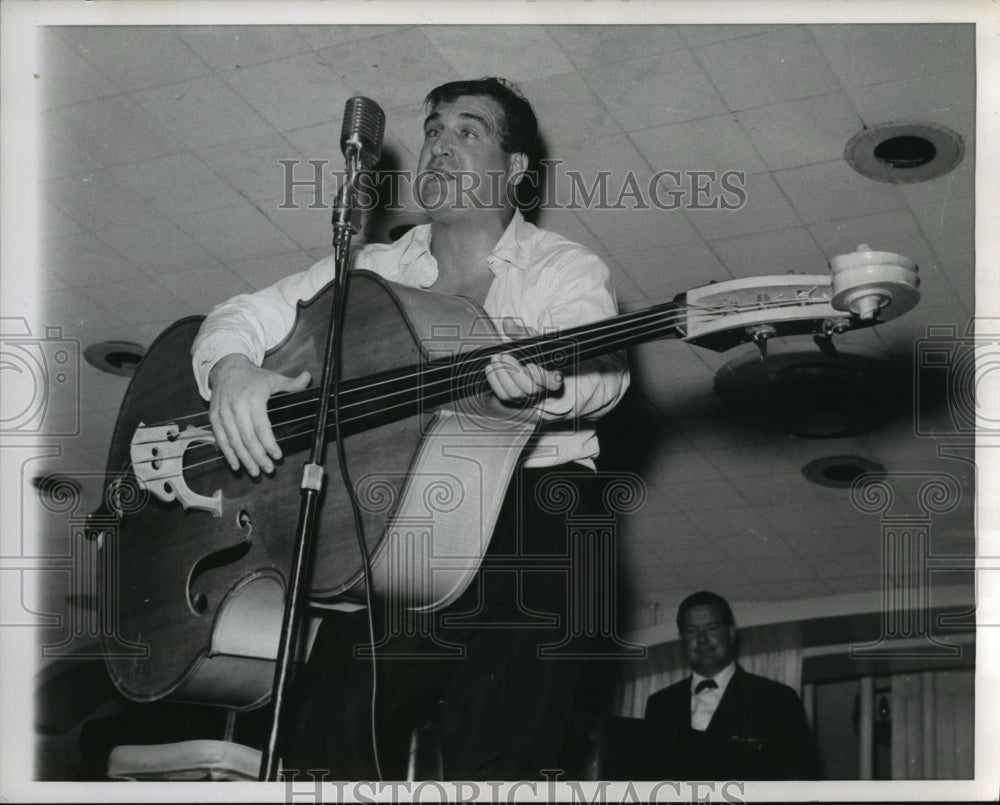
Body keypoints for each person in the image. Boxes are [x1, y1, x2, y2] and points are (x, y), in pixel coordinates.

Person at [190, 77, 629, 780]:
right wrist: (233, 372)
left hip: (529, 504)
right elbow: (238, 316)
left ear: (514, 171)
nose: (439, 145)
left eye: (468, 130)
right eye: (432, 130)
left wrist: (545, 387)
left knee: (545, 599)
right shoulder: (371, 268)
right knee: (333, 713)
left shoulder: (564, 268)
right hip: (407, 526)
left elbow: (602, 367)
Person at [644, 591, 819, 780]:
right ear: (682, 639)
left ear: (731, 633)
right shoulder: (660, 704)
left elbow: (802, 781)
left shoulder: (777, 699)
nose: (702, 639)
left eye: (712, 628)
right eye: (691, 631)